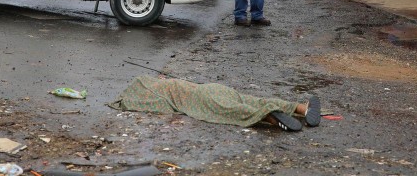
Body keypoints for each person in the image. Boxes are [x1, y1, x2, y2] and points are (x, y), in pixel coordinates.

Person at [109, 75, 321, 131]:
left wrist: (123, 102)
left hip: (202, 97)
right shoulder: (171, 83)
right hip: (215, 87)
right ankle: (301, 108)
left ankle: (269, 117)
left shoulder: (153, 94)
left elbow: (149, 104)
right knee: (252, 99)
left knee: (233, 110)